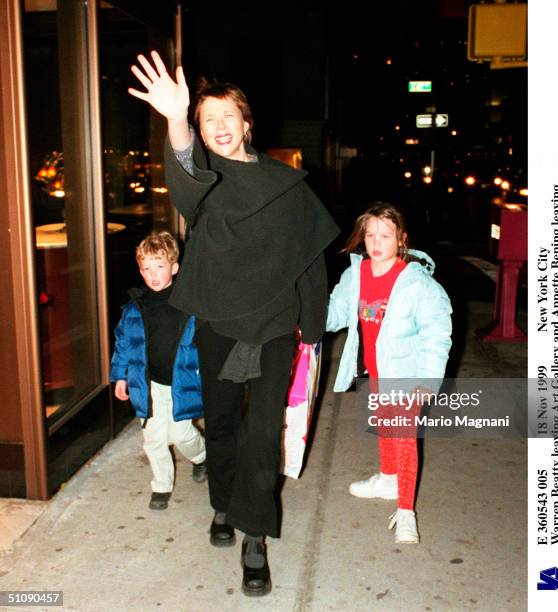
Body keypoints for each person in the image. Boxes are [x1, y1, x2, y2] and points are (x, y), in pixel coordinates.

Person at [128, 51, 339, 596]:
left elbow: (311, 260)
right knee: (220, 426)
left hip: (272, 326)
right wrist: (175, 121)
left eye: (228, 117)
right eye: (207, 120)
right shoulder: (206, 181)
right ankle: (222, 503)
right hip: (216, 322)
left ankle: (255, 538)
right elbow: (186, 182)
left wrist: (312, 336)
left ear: (247, 124)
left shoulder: (288, 185)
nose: (219, 127)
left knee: (262, 434)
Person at [326, 202, 452, 543]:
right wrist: (301, 316)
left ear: (402, 239)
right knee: (383, 426)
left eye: (386, 235)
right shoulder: (355, 275)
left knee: (404, 441)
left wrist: (428, 381)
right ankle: (386, 479)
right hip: (374, 371)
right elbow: (334, 314)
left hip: (406, 375)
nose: (377, 242)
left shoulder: (417, 284)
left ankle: (406, 511)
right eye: (370, 235)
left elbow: (437, 334)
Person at [110, 231, 207, 511]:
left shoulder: (190, 303)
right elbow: (124, 343)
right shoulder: (135, 308)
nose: (153, 275)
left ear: (175, 268)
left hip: (181, 382)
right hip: (149, 384)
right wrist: (120, 376)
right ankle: (161, 486)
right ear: (140, 271)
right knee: (153, 437)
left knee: (180, 434)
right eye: (146, 268)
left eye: (160, 266)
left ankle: (201, 457)